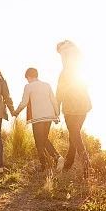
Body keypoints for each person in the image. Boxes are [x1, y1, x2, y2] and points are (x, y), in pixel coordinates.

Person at [13, 68, 65, 172]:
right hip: (49, 116)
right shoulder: (47, 85)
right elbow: (54, 100)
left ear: (29, 76)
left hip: (38, 118)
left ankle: (49, 162)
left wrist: (16, 112)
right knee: (44, 139)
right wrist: (56, 115)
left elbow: (24, 102)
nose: (27, 80)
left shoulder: (28, 86)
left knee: (39, 141)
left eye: (27, 78)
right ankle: (52, 161)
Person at [56, 40, 91, 178]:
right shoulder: (79, 66)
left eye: (60, 54)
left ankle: (86, 163)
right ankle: (68, 164)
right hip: (83, 107)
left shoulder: (65, 72)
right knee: (74, 136)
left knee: (75, 135)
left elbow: (59, 92)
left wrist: (56, 109)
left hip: (71, 108)